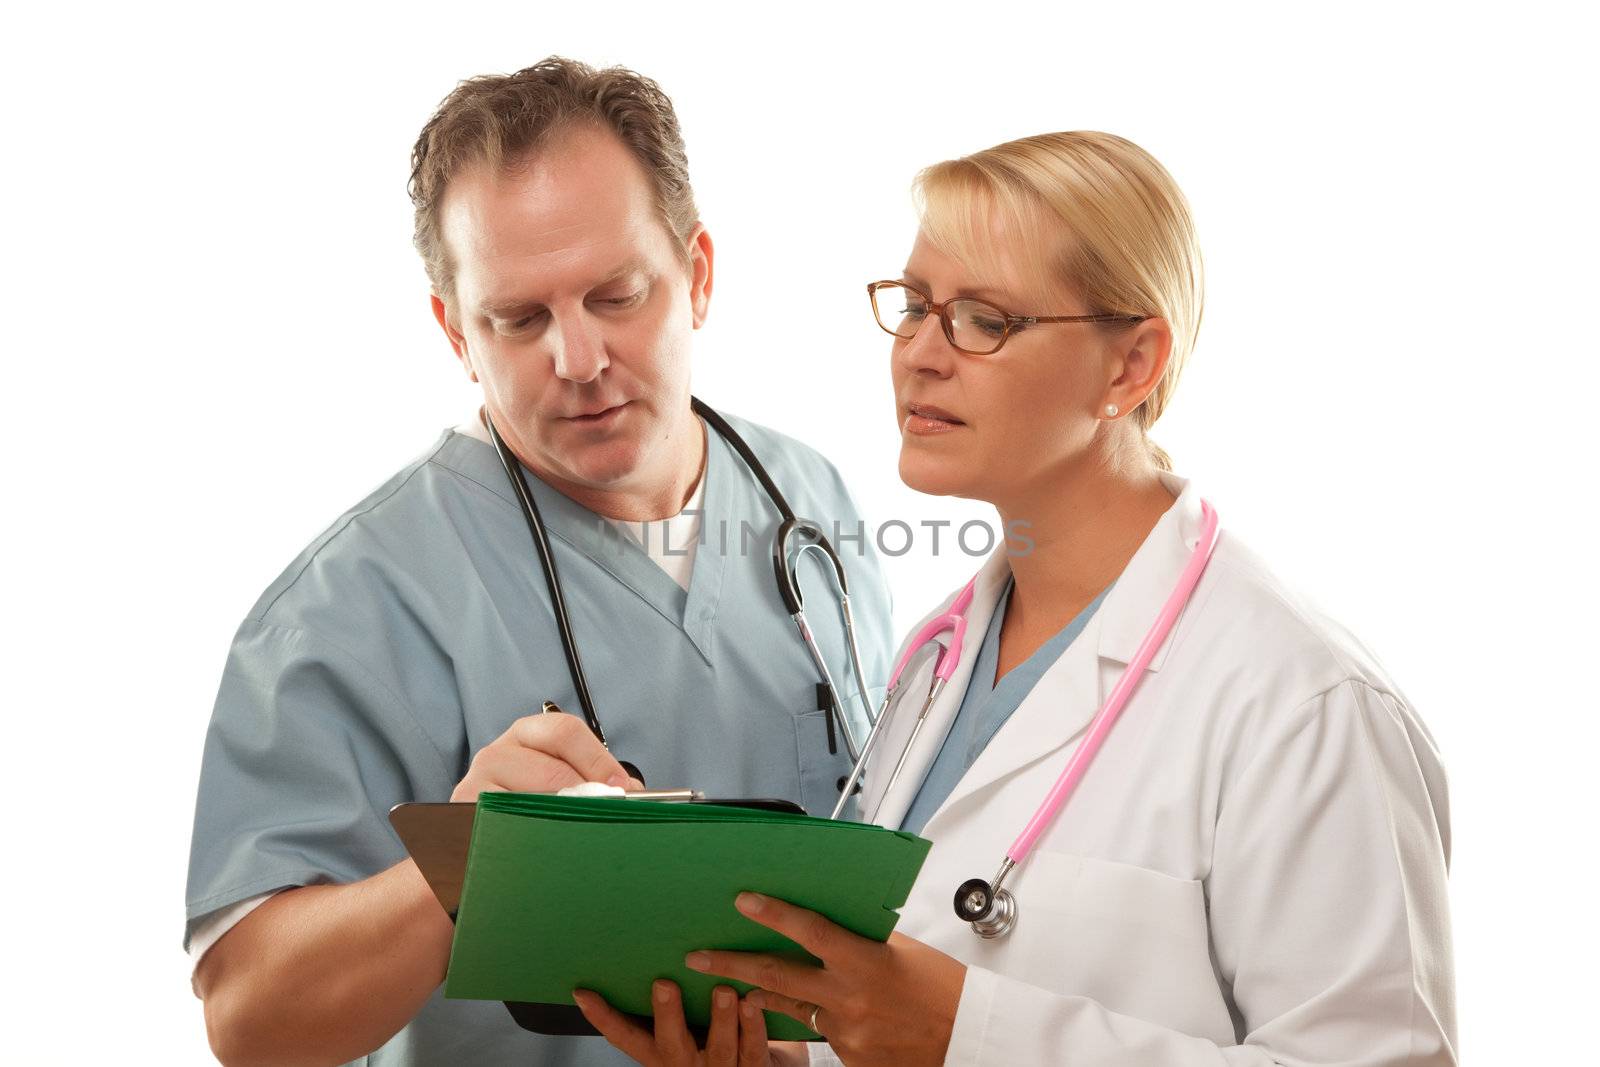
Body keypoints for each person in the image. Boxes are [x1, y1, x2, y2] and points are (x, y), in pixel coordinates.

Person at [579, 132, 1457, 1065]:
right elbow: (889, 1013)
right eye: (914, 305)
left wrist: (971, 1035)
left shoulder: (1303, 703)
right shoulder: (939, 656)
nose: (918, 352)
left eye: (984, 320)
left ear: (1131, 366)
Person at [185, 57, 892, 1066]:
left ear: (696, 273)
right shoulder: (354, 601)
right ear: (455, 331)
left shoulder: (808, 502)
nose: (578, 357)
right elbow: (251, 1021)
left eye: (617, 294)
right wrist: (471, 862)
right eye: (519, 319)